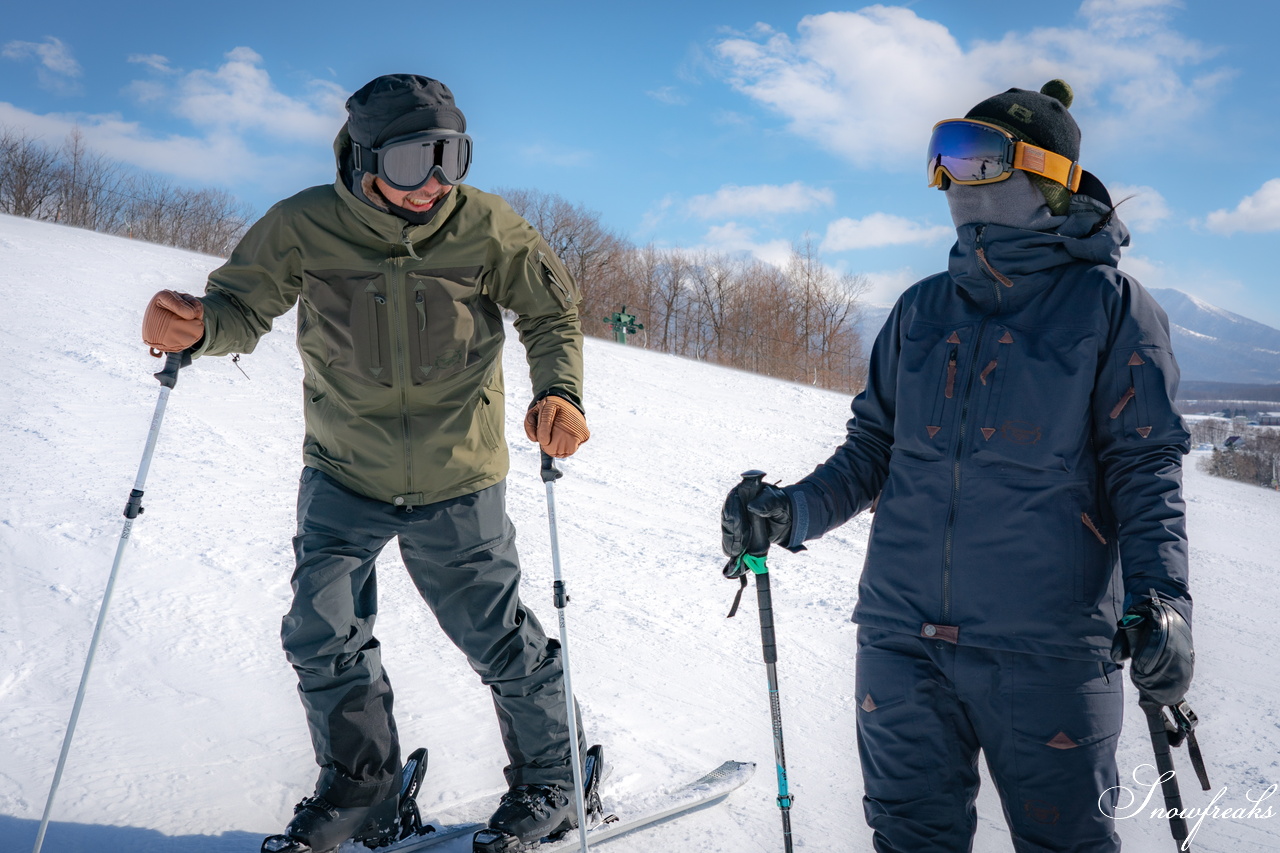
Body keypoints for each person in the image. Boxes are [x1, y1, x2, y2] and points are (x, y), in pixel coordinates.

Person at [721, 80, 1195, 852]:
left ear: (1045, 175)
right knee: (908, 838)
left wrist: (1163, 601)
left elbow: (1146, 472)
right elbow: (872, 451)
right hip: (900, 640)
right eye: (942, 157)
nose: (949, 179)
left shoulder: (1112, 308)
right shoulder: (920, 308)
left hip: (1045, 650)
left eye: (974, 157)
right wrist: (790, 510)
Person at [142, 74, 594, 853]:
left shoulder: (486, 225)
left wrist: (561, 391)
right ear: (364, 156)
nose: (436, 183)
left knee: (497, 637)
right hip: (346, 471)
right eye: (417, 160)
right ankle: (364, 786)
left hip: (460, 475)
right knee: (321, 630)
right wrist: (195, 328)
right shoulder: (302, 226)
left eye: (452, 157)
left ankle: (556, 778)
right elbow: (240, 310)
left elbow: (551, 311)